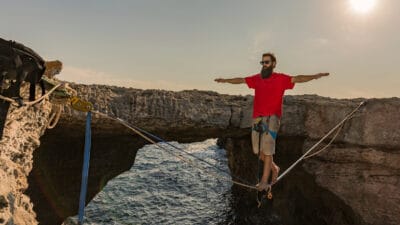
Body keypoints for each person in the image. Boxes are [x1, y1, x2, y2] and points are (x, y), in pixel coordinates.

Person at [214, 52, 329, 191]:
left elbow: (298, 78)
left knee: (268, 151)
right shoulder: (257, 79)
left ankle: (264, 182)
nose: (264, 65)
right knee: (258, 151)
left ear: (273, 64)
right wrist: (225, 80)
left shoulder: (280, 78)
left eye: (266, 62)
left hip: (273, 118)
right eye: (262, 63)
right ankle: (275, 168)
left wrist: (315, 76)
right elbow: (241, 80)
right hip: (258, 118)